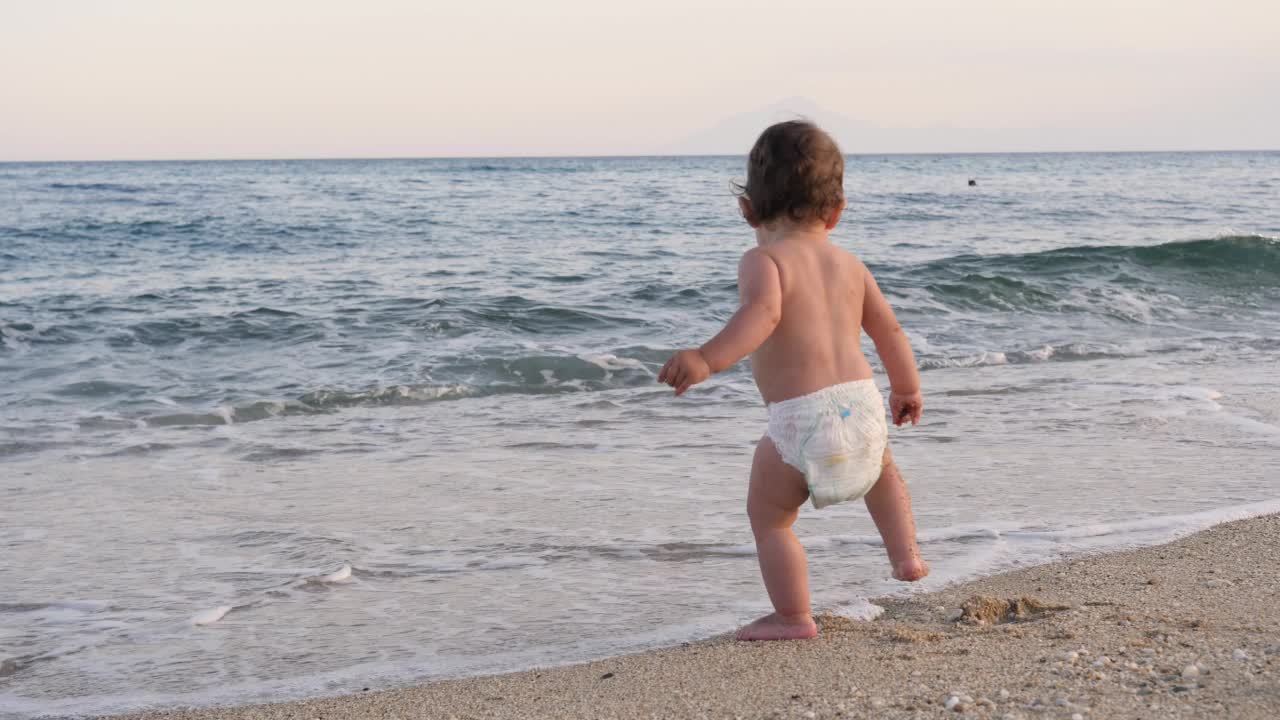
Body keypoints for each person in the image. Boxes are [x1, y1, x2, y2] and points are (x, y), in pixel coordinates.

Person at [658, 120, 928, 641]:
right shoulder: (851, 264)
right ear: (837, 211)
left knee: (770, 516)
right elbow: (889, 331)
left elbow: (761, 316)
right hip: (864, 403)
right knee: (883, 471)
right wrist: (907, 389)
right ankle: (907, 556)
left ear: (748, 211)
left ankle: (792, 616)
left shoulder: (763, 260)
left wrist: (706, 359)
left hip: (800, 418)